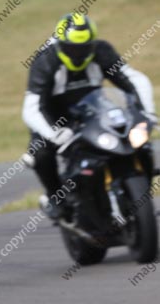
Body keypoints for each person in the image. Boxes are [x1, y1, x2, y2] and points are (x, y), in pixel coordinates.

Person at [22, 13, 158, 217]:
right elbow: (32, 107)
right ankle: (55, 196)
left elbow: (133, 80)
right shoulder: (45, 61)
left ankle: (139, 192)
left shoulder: (101, 51)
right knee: (40, 152)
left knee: (138, 140)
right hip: (54, 118)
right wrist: (53, 134)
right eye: (72, 48)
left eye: (84, 48)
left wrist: (147, 113)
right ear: (61, 45)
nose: (78, 54)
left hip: (94, 110)